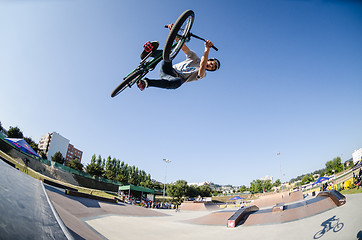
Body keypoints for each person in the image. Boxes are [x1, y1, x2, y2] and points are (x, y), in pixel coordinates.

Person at [137, 24, 220, 91]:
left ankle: (146, 83)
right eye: (211, 64)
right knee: (169, 53)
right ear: (209, 60)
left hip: (172, 79)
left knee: (178, 82)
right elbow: (182, 47)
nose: (211, 66)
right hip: (168, 69)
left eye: (212, 68)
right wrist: (173, 33)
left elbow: (202, 67)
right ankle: (149, 54)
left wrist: (207, 49)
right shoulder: (194, 57)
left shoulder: (203, 74)